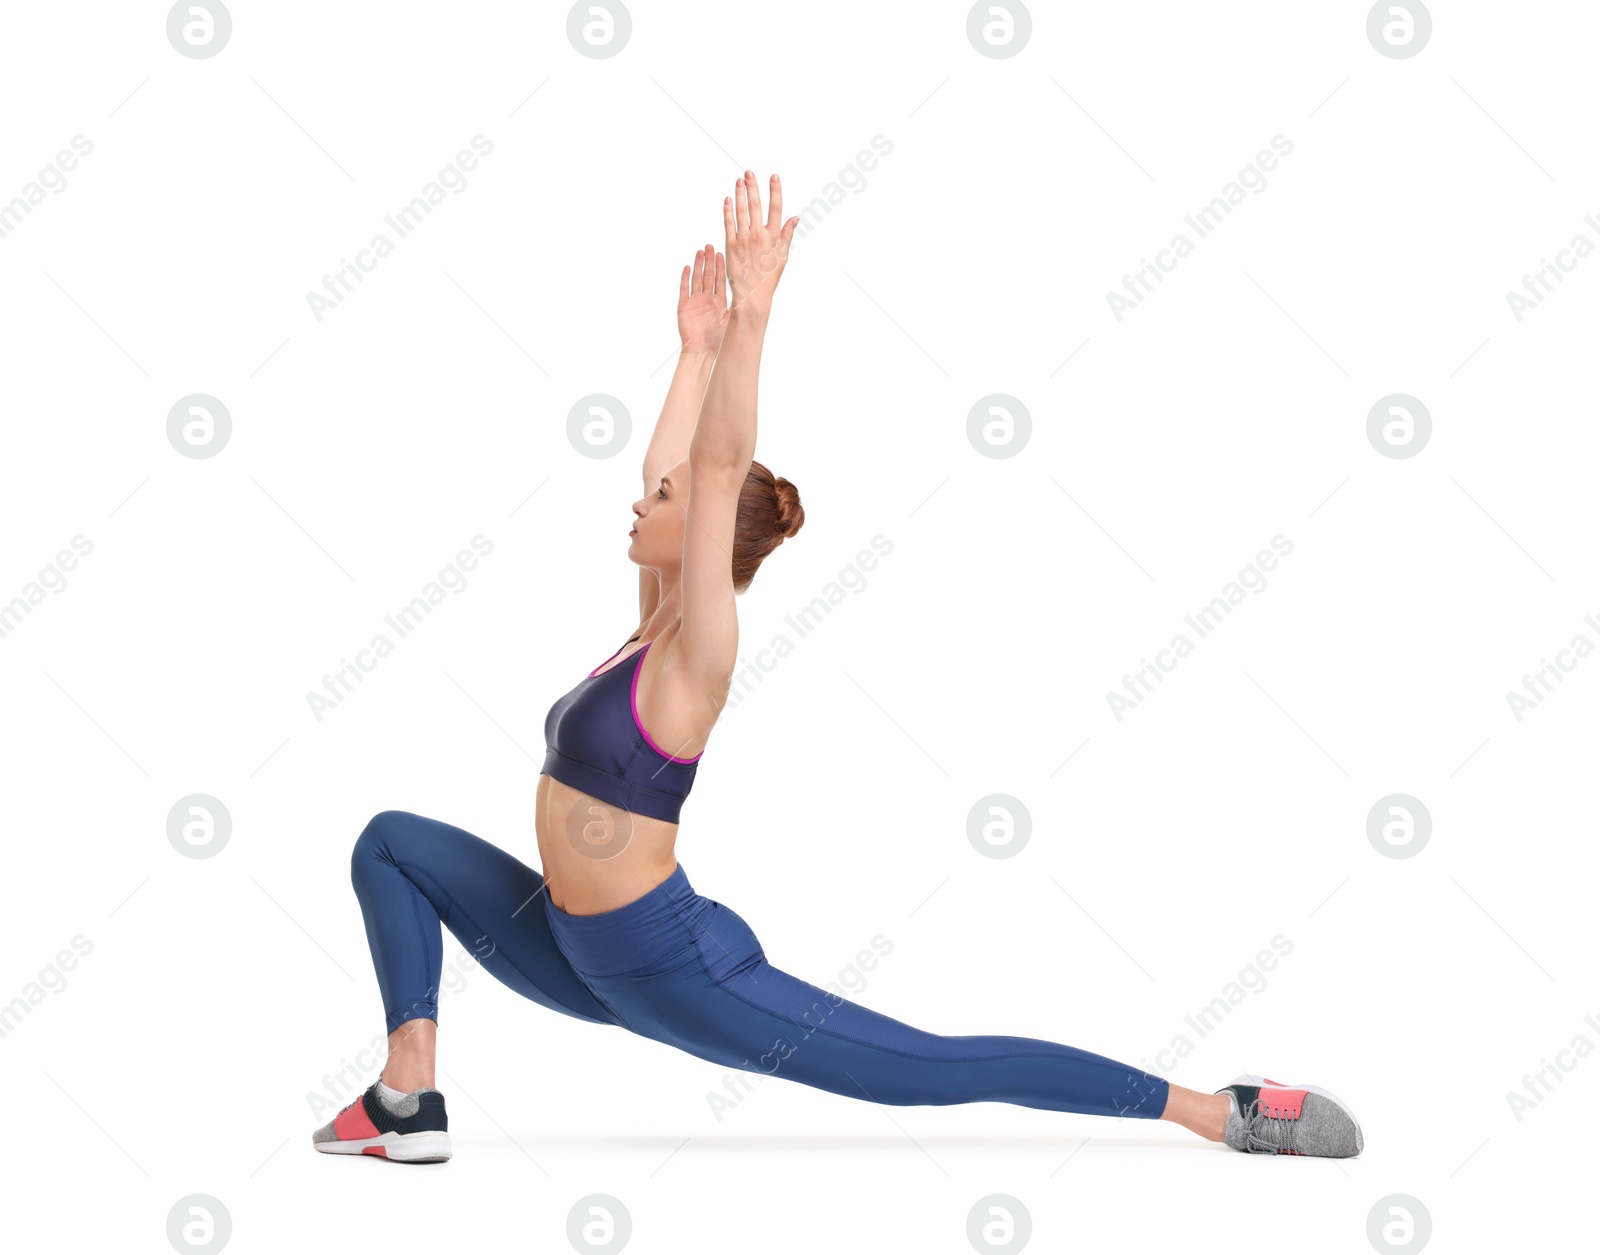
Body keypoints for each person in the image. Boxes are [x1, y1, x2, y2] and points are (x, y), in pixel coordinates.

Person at [312, 170, 1362, 1164]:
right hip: (577, 952)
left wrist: (756, 320)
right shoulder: (649, 624)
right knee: (393, 845)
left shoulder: (698, 650)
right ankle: (409, 1094)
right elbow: (674, 467)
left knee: (939, 1070)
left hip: (679, 970)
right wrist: (692, 351)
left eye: (667, 505)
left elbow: (714, 468)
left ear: (711, 536)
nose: (643, 501)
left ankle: (1217, 1111)